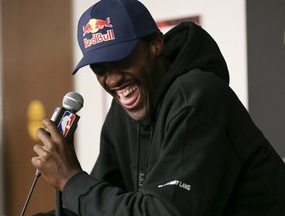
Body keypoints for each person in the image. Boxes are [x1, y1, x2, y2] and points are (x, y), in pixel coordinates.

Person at [32, 0, 285, 215]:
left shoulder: (198, 99)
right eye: (100, 69)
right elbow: (103, 203)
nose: (112, 80)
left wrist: (71, 179)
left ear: (155, 44)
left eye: (120, 59)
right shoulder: (122, 113)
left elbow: (162, 211)